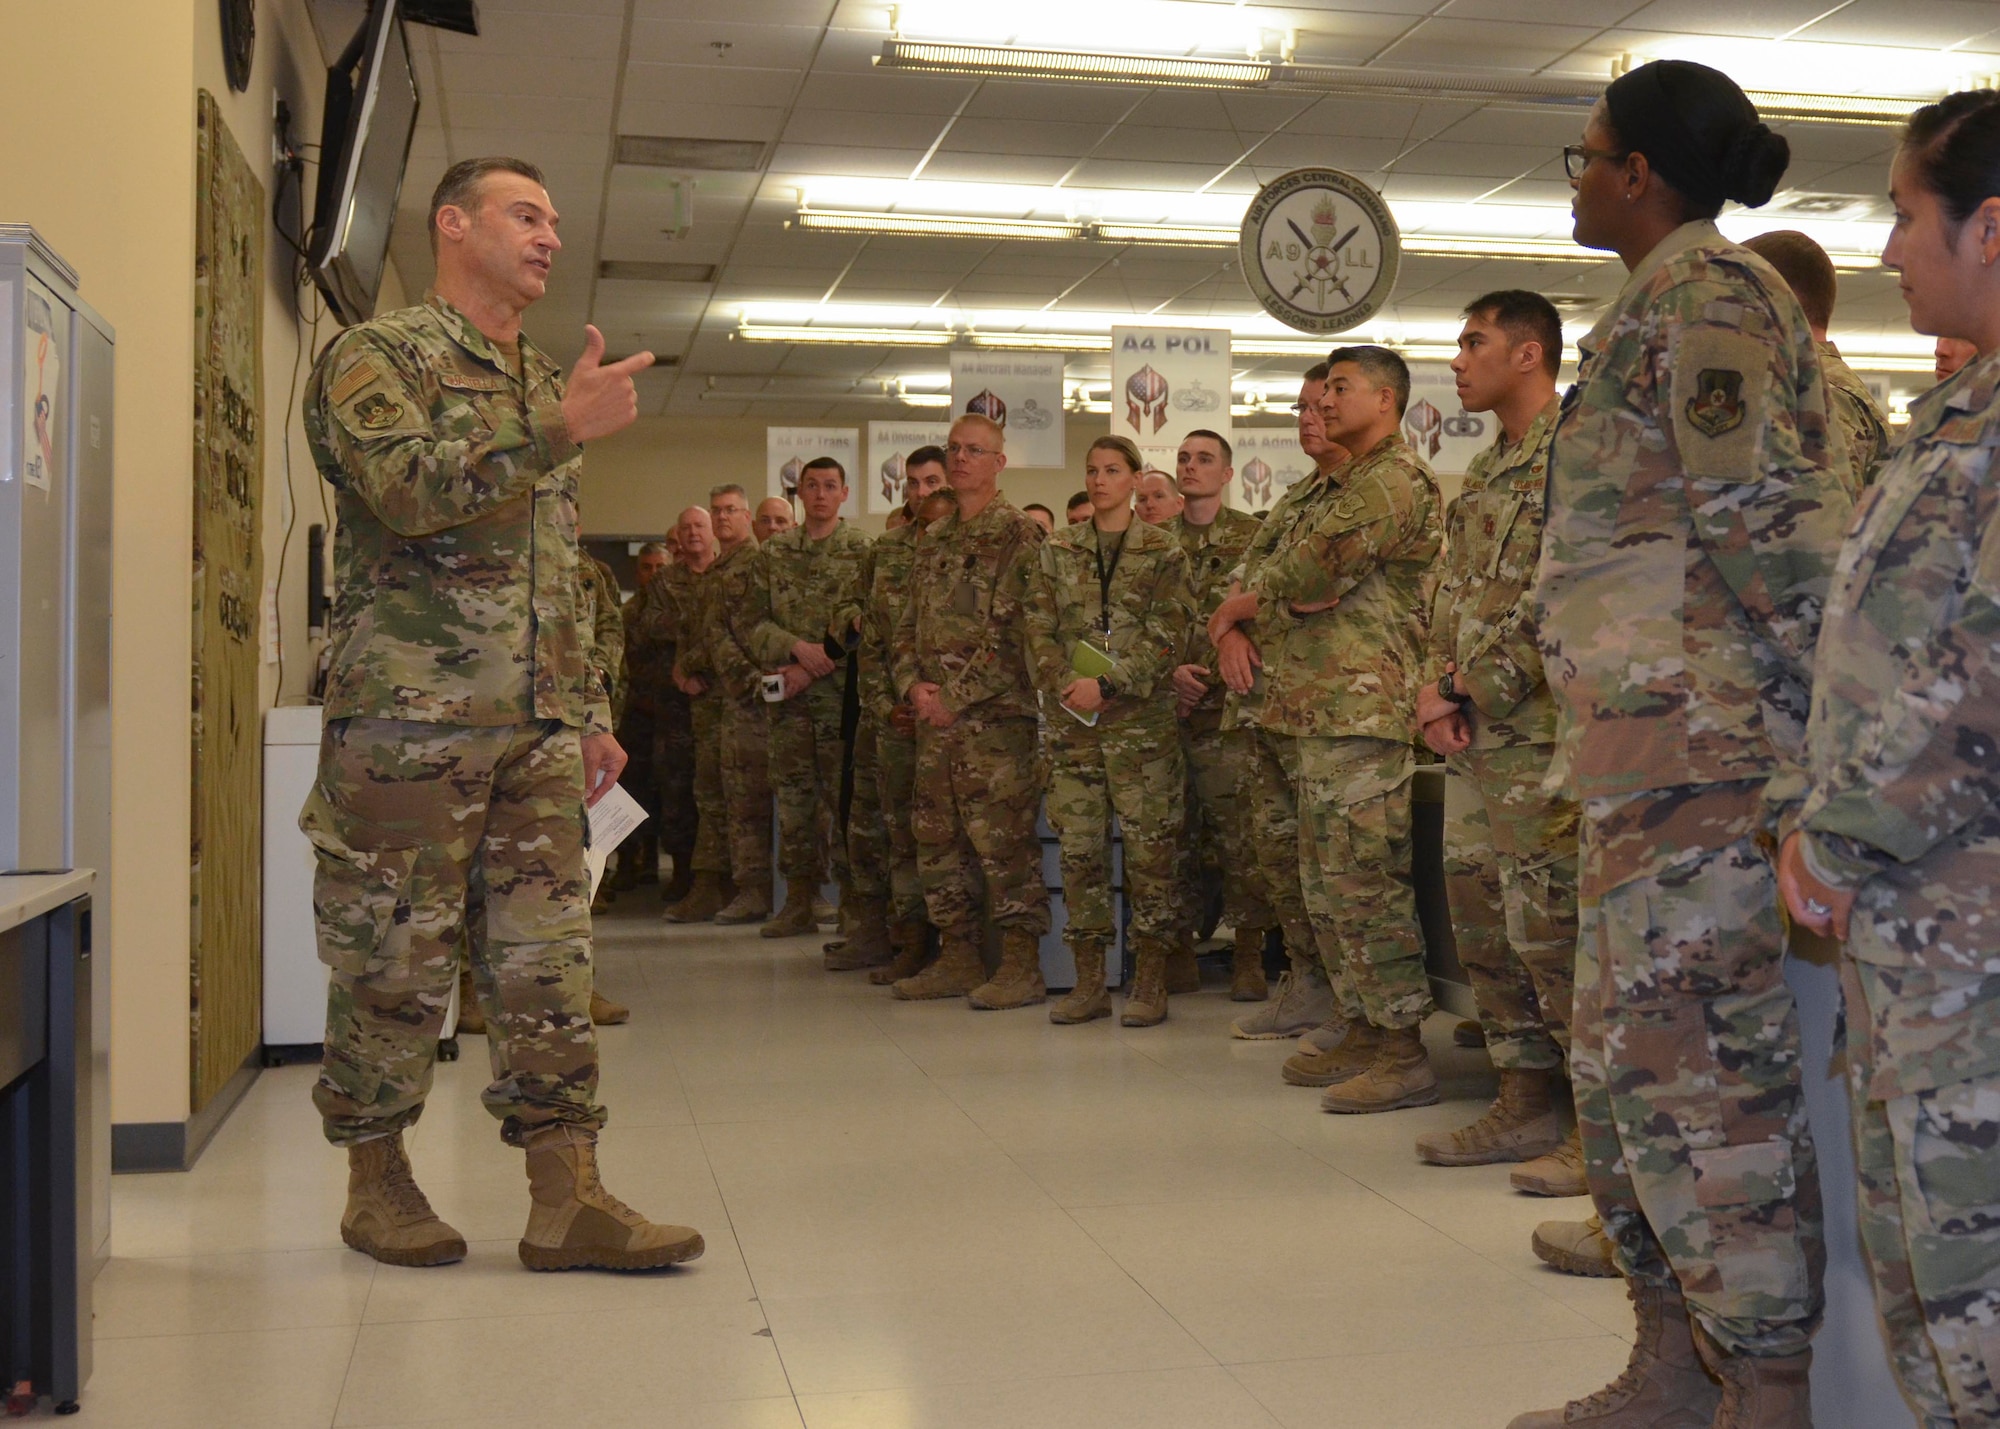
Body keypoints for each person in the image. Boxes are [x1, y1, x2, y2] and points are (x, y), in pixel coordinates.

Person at [1513, 61, 1855, 1428]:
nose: (1579, 177)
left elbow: (1773, 533)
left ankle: (1761, 1389)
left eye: (1585, 156)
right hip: (1637, 772)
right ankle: (1673, 1357)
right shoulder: (1653, 312)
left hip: (1704, 773)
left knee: (1711, 1091)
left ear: (1640, 173)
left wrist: (1818, 747)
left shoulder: (1712, 304)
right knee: (1629, 1081)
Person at [298, 155, 700, 1272]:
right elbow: (407, 490)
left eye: (555, 219)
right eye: (527, 214)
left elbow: (555, 567)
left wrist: (586, 704)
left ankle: (565, 1195)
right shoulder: (375, 355)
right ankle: (376, 1183)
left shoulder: (537, 377)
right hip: (407, 724)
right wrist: (559, 429)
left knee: (547, 962)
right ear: (452, 225)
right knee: (393, 960)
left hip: (535, 727)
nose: (549, 236)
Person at [1779, 88, 2000, 1429]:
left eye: (1909, 214)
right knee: (1934, 1303)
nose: (1885, 249)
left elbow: (1983, 678)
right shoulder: (1964, 414)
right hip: (1923, 950)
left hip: (1966, 947)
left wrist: (1842, 833)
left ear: (1992, 227)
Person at [1218, 347, 1443, 1113]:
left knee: (1365, 886)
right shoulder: (1328, 486)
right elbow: (1261, 569)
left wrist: (1256, 603)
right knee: (1325, 885)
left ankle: (1404, 1048)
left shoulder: (1391, 481)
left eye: (1340, 389)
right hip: (1311, 708)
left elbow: (1308, 574)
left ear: (1385, 399)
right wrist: (1243, 610)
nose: (1324, 401)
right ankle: (1361, 1025)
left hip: (1362, 710)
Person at [1413, 291, 1581, 1190]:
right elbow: (1451, 591)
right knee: (1483, 920)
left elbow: (1561, 594)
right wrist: (1436, 687)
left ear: (1528, 355)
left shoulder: (1572, 456)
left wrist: (1471, 684)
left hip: (1542, 732)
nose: (1458, 359)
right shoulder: (1486, 472)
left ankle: (1597, 1134)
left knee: (1554, 930)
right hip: (1476, 735)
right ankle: (1522, 1099)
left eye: (1473, 342)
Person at [1211, 365, 1361, 1046]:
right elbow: (1246, 578)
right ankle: (1305, 983)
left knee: (1336, 868)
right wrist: (1229, 626)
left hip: (1334, 707)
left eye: (1320, 405)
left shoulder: (1368, 494)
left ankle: (1352, 1006)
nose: (1308, 417)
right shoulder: (1299, 498)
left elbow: (1309, 583)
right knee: (1280, 857)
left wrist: (1244, 607)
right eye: (1299, 407)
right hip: (1270, 706)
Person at [1025, 436, 1192, 1025]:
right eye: (1091, 470)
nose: (1099, 481)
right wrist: (1066, 684)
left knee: (1150, 854)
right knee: (1080, 852)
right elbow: (1037, 625)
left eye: (1112, 470)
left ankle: (1150, 978)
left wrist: (1111, 684)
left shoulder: (1164, 552)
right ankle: (1089, 979)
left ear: (1134, 478)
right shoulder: (1058, 548)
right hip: (1075, 725)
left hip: (1140, 727)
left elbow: (1171, 634)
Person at [891, 414, 1051, 1006]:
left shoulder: (1019, 536)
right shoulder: (933, 538)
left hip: (994, 724)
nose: (959, 459)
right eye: (954, 449)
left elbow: (1015, 634)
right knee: (938, 840)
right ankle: (956, 955)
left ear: (998, 463)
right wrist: (913, 685)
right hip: (935, 722)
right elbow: (907, 624)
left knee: (1003, 844)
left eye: (974, 451)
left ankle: (1020, 965)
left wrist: (952, 698)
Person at [741, 458, 873, 939]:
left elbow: (871, 621)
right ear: (799, 493)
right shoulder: (773, 555)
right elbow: (752, 625)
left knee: (847, 804)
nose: (820, 494)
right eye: (811, 486)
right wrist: (795, 650)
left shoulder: (863, 550)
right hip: (791, 706)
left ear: (844, 493)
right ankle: (798, 899)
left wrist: (821, 662)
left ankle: (854, 905)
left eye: (830, 486)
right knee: (794, 802)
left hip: (842, 701)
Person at [1166, 429, 1275, 1002]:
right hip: (1165, 712)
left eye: (1204, 459)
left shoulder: (1254, 540)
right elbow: (1139, 623)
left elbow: (1260, 619)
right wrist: (1170, 675)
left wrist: (1204, 673)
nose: (1191, 467)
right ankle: (1177, 948)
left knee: (1241, 840)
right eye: (1183, 458)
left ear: (1228, 475)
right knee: (1170, 837)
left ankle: (1250, 955)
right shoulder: (1151, 540)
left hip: (1229, 711)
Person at [850, 448, 950, 982]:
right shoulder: (886, 552)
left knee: (950, 836)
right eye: (912, 483)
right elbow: (873, 644)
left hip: (953, 716)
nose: (920, 493)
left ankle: (959, 943)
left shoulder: (966, 546)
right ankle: (911, 940)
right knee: (901, 836)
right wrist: (888, 705)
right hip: (896, 719)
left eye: (931, 481)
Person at [685, 484, 774, 926]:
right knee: (717, 796)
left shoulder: (755, 565)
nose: (722, 518)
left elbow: (739, 634)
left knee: (747, 799)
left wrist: (703, 666)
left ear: (747, 517)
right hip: (715, 703)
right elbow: (704, 632)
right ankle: (723, 884)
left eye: (731, 511)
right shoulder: (718, 568)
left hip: (747, 698)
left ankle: (753, 888)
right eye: (716, 510)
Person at [1744, 230, 1891, 492]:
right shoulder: (1819, 385)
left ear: (1776, 301)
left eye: (1741, 297)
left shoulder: (1819, 395)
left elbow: (1831, 516)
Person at [659, 507, 732, 922]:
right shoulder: (669, 581)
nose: (693, 533)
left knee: (727, 795)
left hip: (730, 696)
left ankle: (728, 884)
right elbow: (652, 626)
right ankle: (696, 879)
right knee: (692, 794)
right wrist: (683, 669)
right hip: (682, 702)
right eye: (684, 528)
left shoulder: (728, 575)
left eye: (699, 526)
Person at [612, 540, 672, 896]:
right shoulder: (627, 614)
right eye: (648, 568)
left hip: (674, 714)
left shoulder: (680, 609)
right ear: (638, 573)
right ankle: (628, 860)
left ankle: (657, 859)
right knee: (631, 789)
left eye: (660, 567)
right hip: (635, 716)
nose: (654, 574)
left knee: (669, 791)